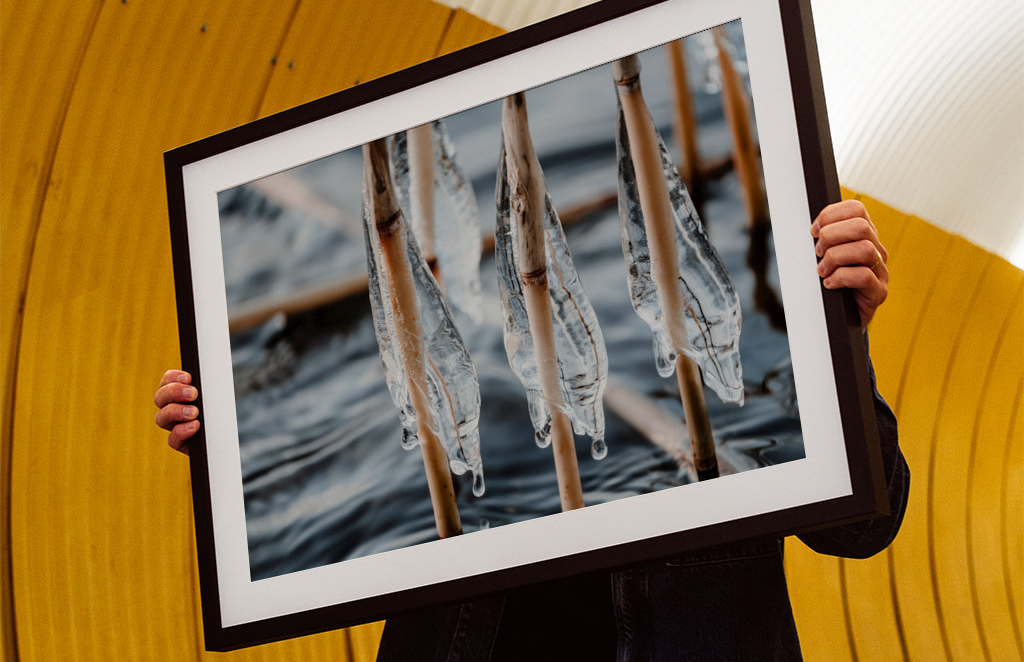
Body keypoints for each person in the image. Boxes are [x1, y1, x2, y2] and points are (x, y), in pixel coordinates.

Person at [154, 200, 908, 660]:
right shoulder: (439, 384)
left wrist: (837, 337)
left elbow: (865, 525)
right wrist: (237, 438)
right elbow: (336, 472)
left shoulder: (733, 349)